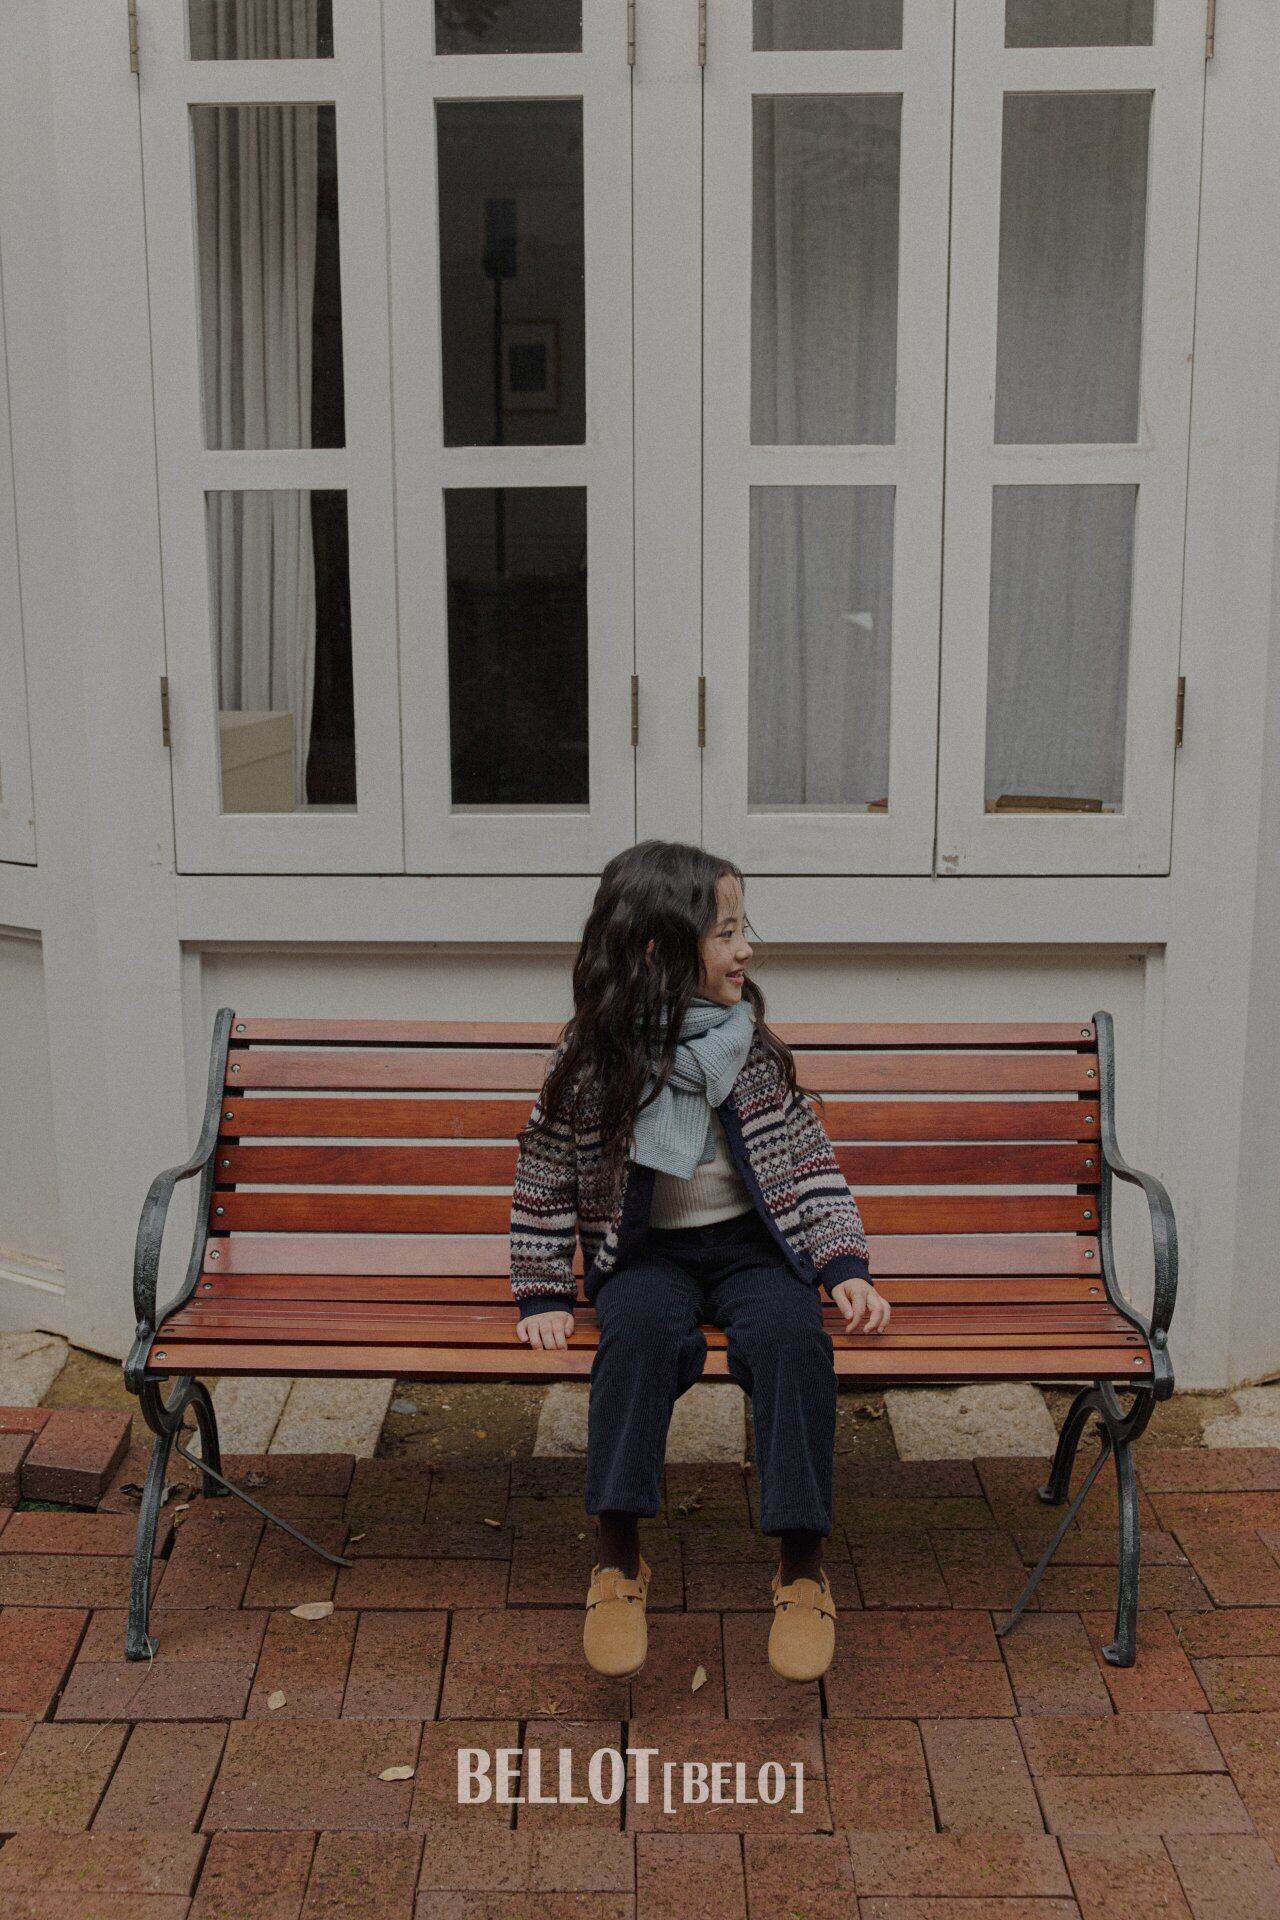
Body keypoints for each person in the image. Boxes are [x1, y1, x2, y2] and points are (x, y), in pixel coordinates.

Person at [509, 839, 889, 1682]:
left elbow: (809, 1161)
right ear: (659, 950)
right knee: (637, 1338)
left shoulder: (749, 1047)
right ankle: (618, 1557)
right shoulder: (595, 1062)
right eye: (727, 933)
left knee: (794, 1340)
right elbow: (545, 1172)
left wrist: (844, 1265)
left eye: (744, 928)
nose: (747, 948)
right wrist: (542, 1291)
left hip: (754, 1251)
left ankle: (801, 1566)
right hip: (649, 1256)